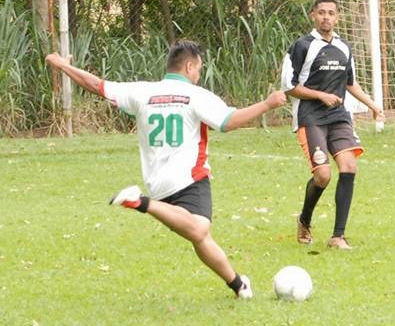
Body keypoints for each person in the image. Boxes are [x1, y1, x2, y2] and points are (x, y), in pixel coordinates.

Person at [45, 41, 287, 299]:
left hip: (158, 183)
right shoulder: (197, 95)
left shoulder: (142, 91)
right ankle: (140, 203)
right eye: (198, 69)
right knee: (198, 229)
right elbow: (228, 122)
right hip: (189, 178)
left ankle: (239, 286)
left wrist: (62, 66)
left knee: (200, 236)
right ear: (189, 66)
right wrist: (267, 104)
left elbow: (97, 85)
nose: (198, 75)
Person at [281, 0, 383, 250]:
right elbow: (289, 87)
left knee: (349, 167)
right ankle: (305, 220)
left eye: (331, 13)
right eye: (321, 12)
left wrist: (372, 105)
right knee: (323, 176)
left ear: (337, 17)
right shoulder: (302, 46)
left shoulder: (344, 47)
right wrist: (320, 95)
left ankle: (338, 236)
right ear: (312, 15)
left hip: (339, 116)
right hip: (310, 116)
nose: (326, 17)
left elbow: (350, 83)